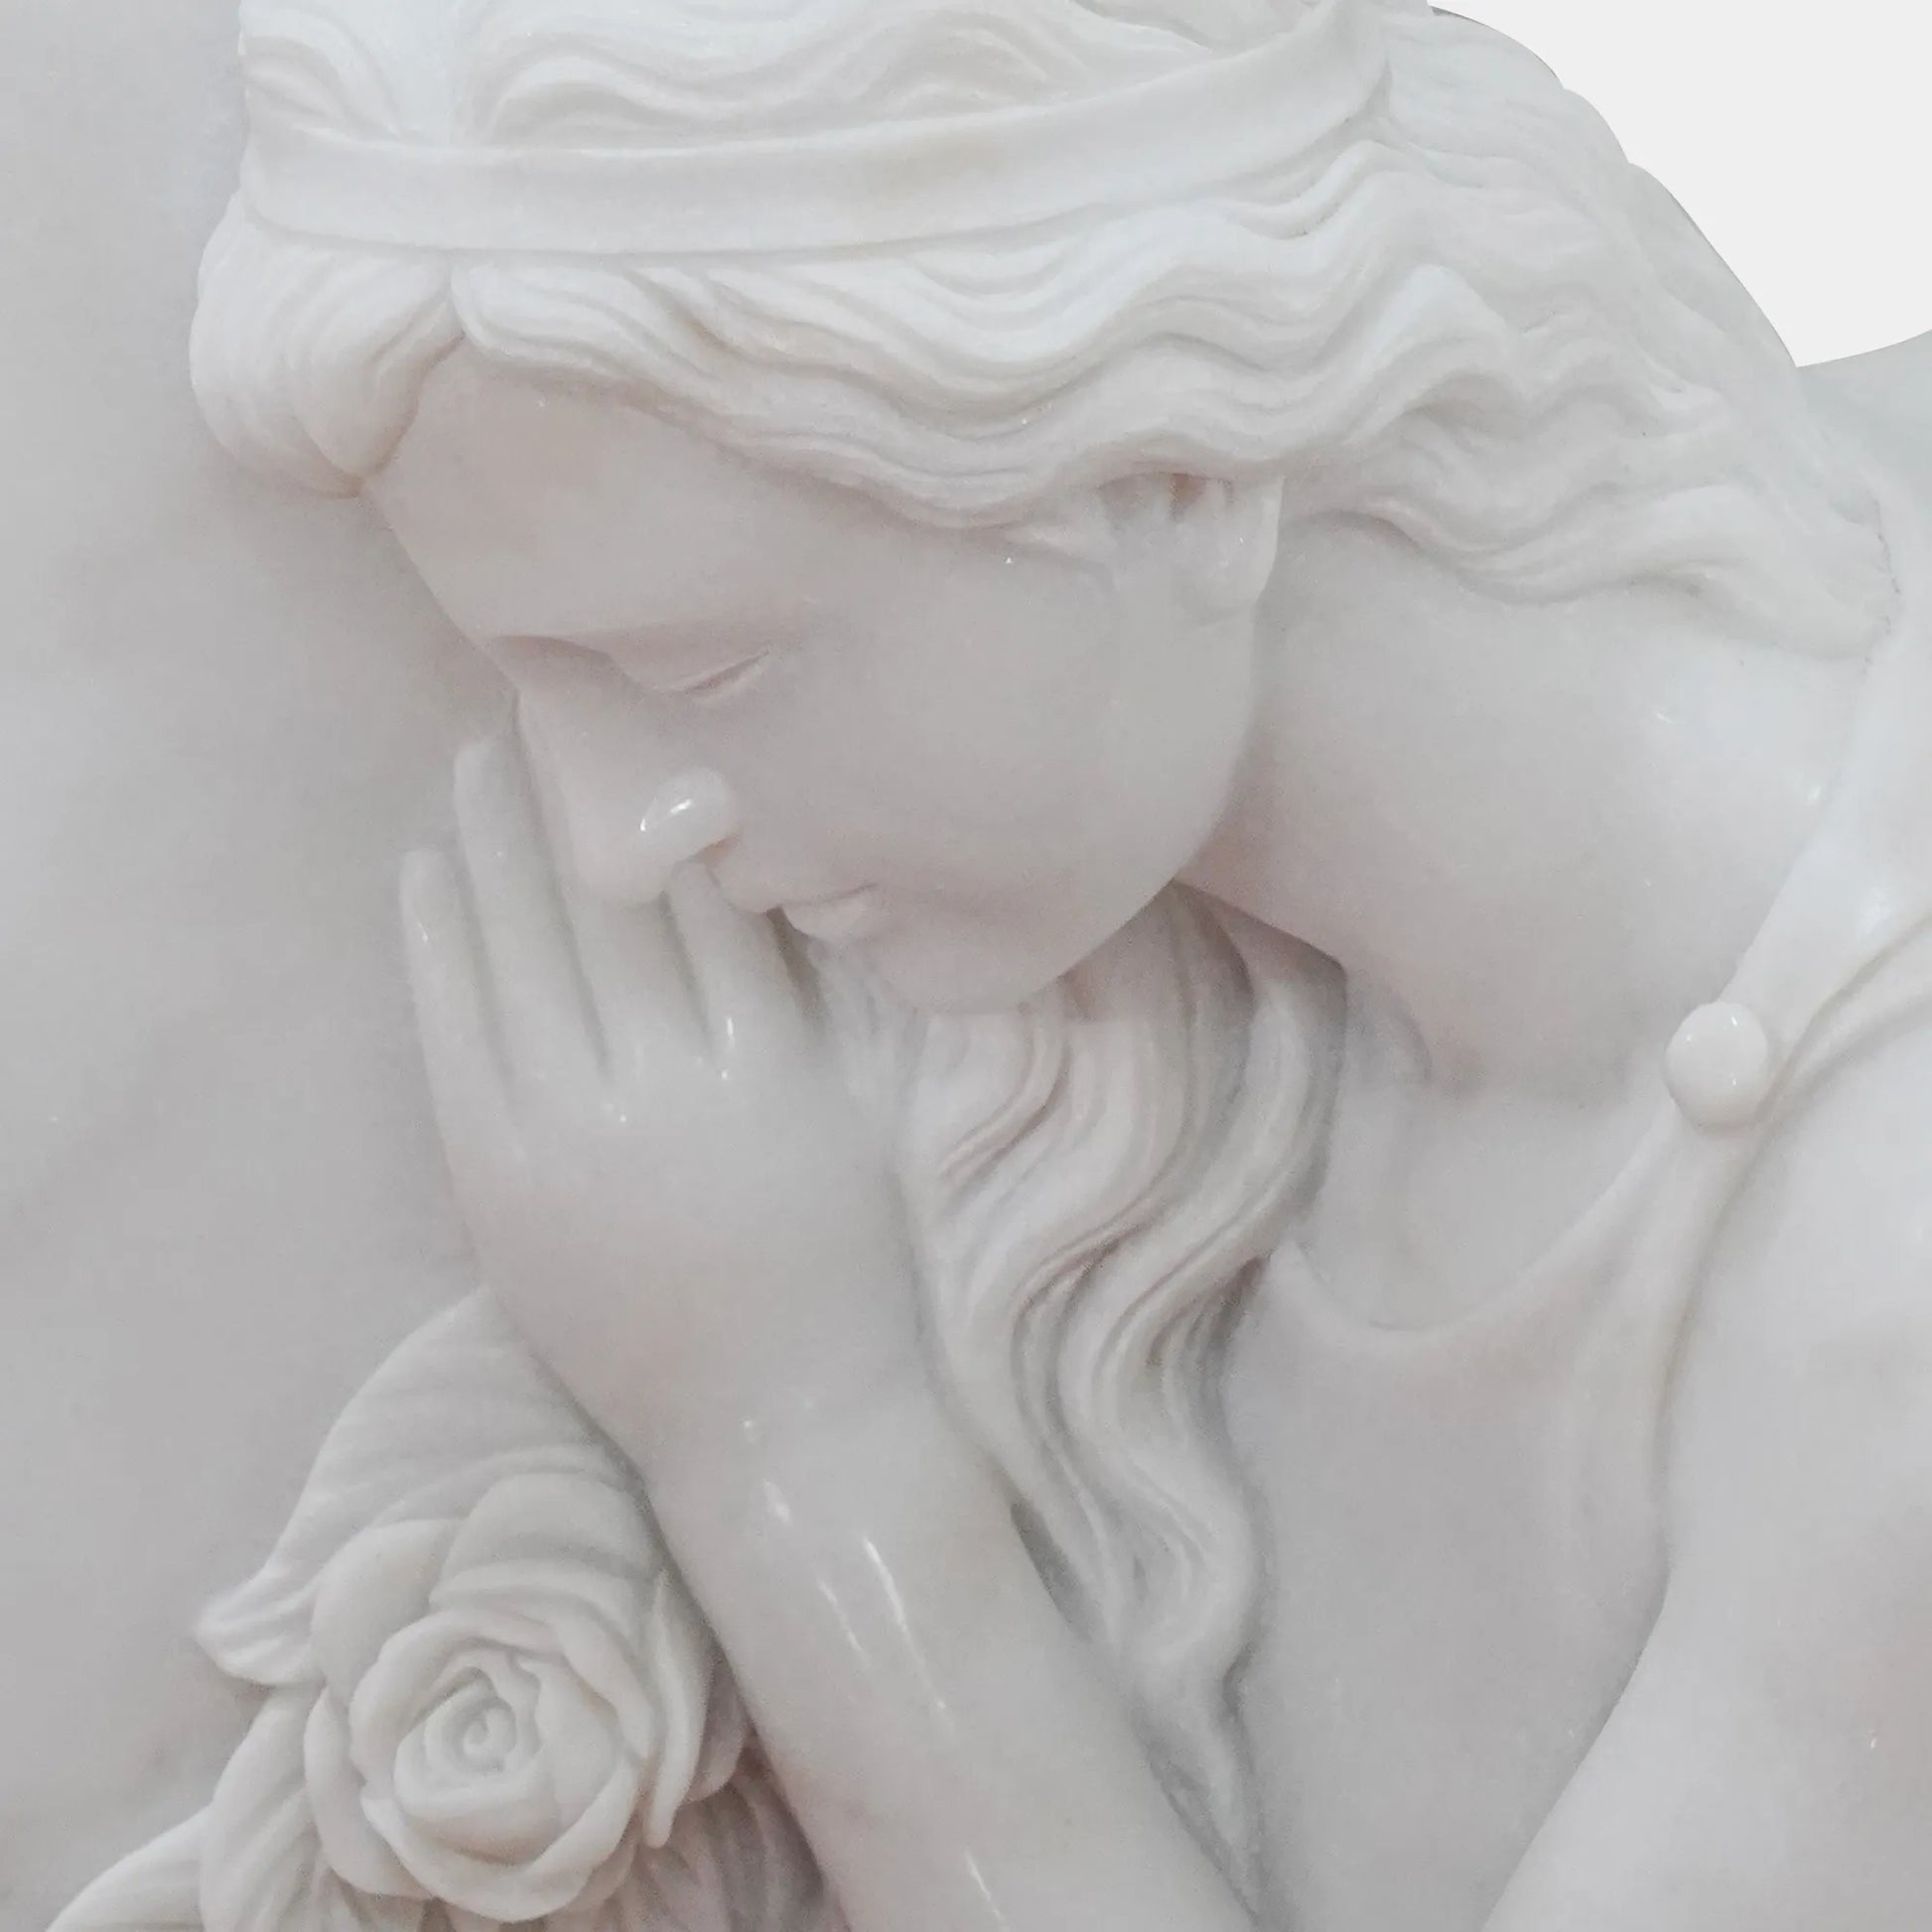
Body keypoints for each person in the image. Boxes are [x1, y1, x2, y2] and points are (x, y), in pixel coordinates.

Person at [190, 0, 1932, 1925]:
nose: (613, 836)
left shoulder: (1873, 1276)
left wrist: (787, 1426)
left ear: (1172, 475)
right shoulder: (1201, 996)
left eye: (704, 674)